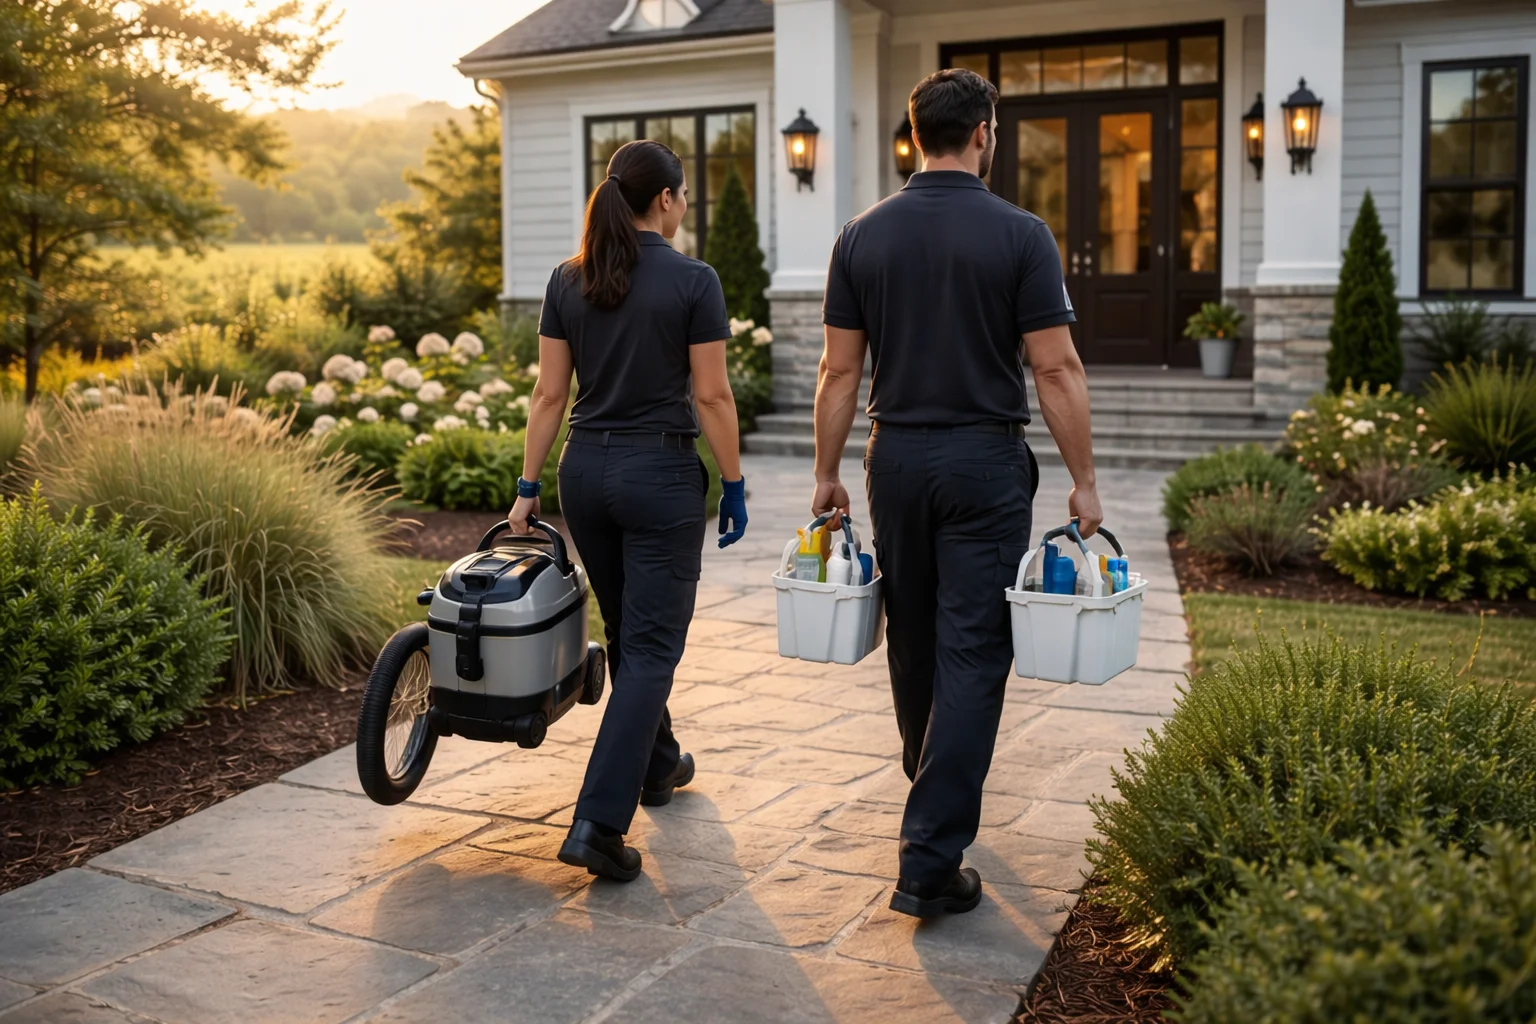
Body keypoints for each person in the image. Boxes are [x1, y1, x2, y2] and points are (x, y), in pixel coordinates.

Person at [809, 68, 1102, 917]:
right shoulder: (1021, 234)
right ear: (983, 133)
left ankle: (930, 792)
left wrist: (828, 474)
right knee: (974, 650)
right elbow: (1055, 368)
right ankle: (929, 859)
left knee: (916, 640)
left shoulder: (860, 235)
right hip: (983, 462)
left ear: (915, 137)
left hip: (893, 457)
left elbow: (839, 373)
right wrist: (1085, 483)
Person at [507, 139, 749, 882]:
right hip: (660, 475)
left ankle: (660, 764)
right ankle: (597, 826)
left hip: (587, 474)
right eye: (682, 197)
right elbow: (711, 395)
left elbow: (550, 394)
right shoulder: (694, 280)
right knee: (649, 651)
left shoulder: (567, 279)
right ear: (668, 199)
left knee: (631, 637)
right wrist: (734, 483)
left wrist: (526, 485)